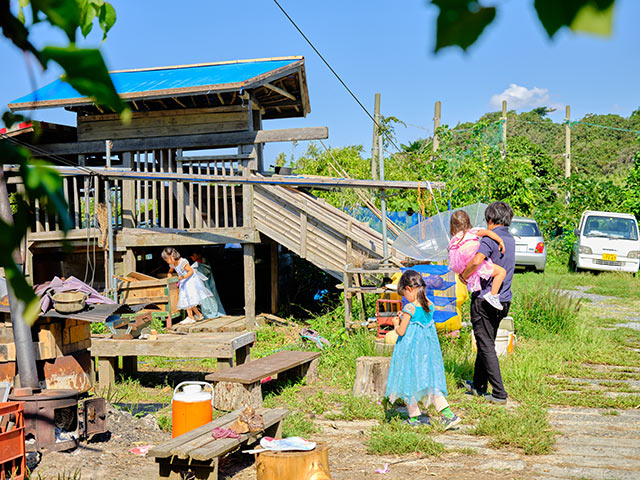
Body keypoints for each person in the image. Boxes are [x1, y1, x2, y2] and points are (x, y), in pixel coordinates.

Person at [385, 270, 461, 429]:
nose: (404, 298)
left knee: (407, 381)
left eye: (404, 294)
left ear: (410, 288)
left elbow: (401, 332)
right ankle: (448, 415)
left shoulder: (409, 309)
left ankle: (414, 418)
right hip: (426, 353)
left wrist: (395, 322)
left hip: (410, 352)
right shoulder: (429, 305)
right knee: (430, 383)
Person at [460, 201, 515, 404]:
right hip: (503, 300)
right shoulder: (510, 239)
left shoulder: (489, 240)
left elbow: (476, 261)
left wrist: (464, 276)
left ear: (490, 220)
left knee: (485, 345)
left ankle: (499, 393)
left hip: (485, 301)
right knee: (486, 342)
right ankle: (479, 385)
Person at [448, 210, 507, 310]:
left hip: (463, 266)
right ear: (468, 222)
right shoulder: (473, 231)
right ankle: (493, 295)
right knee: (501, 272)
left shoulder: (454, 240)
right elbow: (489, 233)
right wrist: (500, 241)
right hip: (477, 263)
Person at [161, 247, 212, 325]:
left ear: (172, 256)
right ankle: (198, 315)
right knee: (188, 299)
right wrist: (169, 276)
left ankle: (190, 317)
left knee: (188, 298)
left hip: (190, 280)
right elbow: (170, 271)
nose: (167, 262)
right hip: (183, 281)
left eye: (167, 259)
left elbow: (190, 271)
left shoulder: (182, 262)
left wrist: (182, 277)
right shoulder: (172, 264)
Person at [189, 252, 226, 318]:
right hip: (209, 283)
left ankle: (208, 313)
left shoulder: (198, 264)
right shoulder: (205, 262)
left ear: (199, 255)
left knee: (206, 298)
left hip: (204, 284)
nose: (192, 257)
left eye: (193, 256)